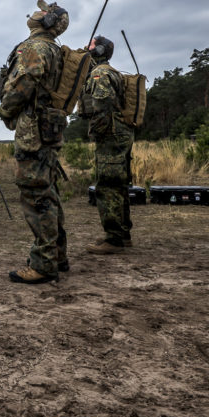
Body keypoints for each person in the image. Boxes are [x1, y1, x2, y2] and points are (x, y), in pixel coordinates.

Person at [0, 0, 71, 283]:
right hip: (48, 129)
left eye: (43, 11)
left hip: (33, 132)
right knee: (48, 192)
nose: (36, 12)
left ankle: (43, 264)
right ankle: (57, 255)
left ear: (48, 21)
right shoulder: (53, 49)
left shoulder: (34, 48)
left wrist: (5, 110)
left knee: (36, 195)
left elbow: (24, 84)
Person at [82, 35, 134, 254]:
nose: (86, 47)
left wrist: (96, 132)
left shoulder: (100, 74)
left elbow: (103, 105)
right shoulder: (111, 72)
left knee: (108, 185)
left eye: (91, 45)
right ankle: (123, 234)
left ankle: (114, 239)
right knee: (119, 184)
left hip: (111, 135)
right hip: (120, 133)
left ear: (100, 50)